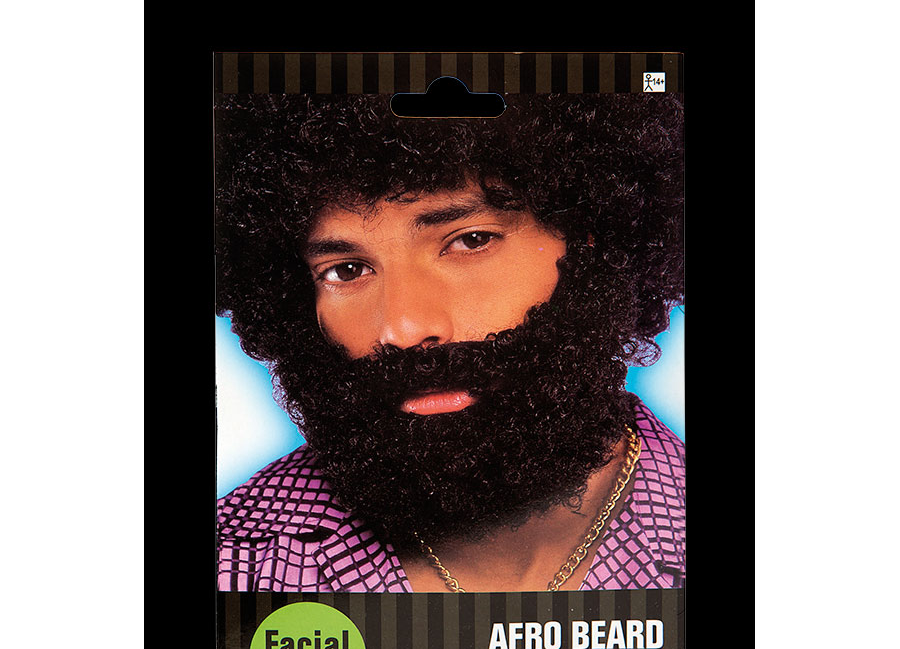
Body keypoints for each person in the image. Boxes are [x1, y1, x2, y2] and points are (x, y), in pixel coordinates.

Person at [215, 92, 685, 593]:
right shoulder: (236, 564)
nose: (405, 329)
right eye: (347, 270)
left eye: (470, 240)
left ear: (591, 240)